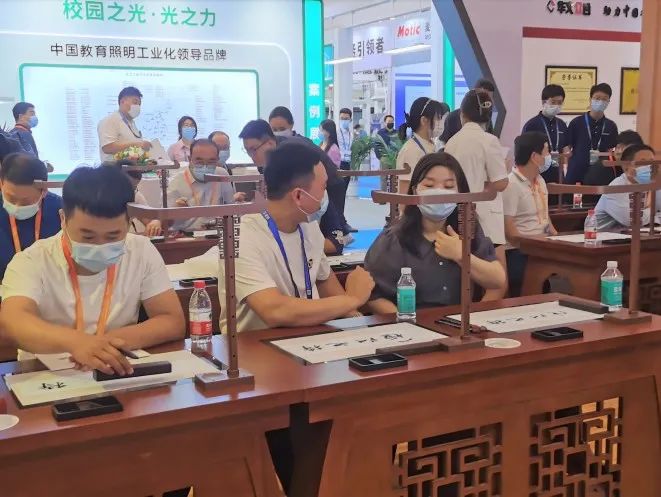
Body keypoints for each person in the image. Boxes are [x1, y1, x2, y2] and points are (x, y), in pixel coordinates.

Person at [0, 165, 184, 373]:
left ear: (128, 222)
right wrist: (76, 342)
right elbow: (12, 322)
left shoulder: (141, 250)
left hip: (114, 370)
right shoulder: (31, 260)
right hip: (47, 375)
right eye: (87, 236)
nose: (100, 245)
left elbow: (171, 320)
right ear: (63, 219)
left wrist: (101, 345)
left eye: (113, 236)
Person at [219, 141, 373, 333]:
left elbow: (329, 289)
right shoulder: (239, 237)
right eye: (323, 187)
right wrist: (353, 299)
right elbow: (274, 311)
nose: (325, 195)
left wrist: (359, 322)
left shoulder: (309, 226)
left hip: (309, 336)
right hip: (255, 344)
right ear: (299, 196)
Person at [364, 152, 505, 313]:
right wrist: (405, 319)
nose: (439, 192)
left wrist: (461, 255)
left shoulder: (467, 229)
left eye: (449, 187)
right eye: (429, 185)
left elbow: (497, 280)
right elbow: (373, 296)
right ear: (415, 190)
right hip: (412, 323)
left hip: (458, 323)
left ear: (461, 192)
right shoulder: (394, 238)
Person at [444, 89, 509, 300]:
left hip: (457, 214)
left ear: (462, 114)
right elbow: (501, 183)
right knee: (498, 282)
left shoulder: (452, 142)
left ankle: (468, 314)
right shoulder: (489, 140)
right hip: (486, 216)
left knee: (468, 276)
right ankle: (481, 316)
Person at [239, 119, 348, 230]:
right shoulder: (266, 161)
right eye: (247, 151)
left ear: (270, 143)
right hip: (311, 193)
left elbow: (310, 184)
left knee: (329, 231)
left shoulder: (289, 152)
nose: (251, 156)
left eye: (253, 149)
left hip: (329, 185)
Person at [503, 132, 558, 297]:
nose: (549, 157)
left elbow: (545, 217)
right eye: (546, 151)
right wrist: (538, 242)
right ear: (534, 156)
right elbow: (510, 233)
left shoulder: (540, 180)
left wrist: (557, 238)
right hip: (519, 252)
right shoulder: (511, 184)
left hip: (540, 248)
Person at [0, 153, 62, 281]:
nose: (16, 206)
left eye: (25, 201)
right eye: (10, 198)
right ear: (1, 183)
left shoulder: (62, 211)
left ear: (44, 191)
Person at [167, 139, 242, 232]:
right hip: (186, 234)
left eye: (211, 162)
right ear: (190, 159)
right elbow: (164, 223)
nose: (205, 166)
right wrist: (175, 211)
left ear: (217, 161)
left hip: (216, 232)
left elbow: (231, 208)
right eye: (199, 162)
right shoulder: (176, 182)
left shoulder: (221, 174)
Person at [594, 144, 661, 230]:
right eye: (642, 163)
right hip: (603, 236)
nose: (649, 167)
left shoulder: (653, 184)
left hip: (636, 234)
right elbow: (633, 220)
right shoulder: (617, 187)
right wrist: (652, 209)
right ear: (626, 166)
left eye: (651, 163)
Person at [566, 83, 619, 185]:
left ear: (608, 102)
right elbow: (567, 148)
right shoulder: (576, 123)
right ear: (590, 99)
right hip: (576, 172)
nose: (601, 101)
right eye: (597, 98)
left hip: (600, 173)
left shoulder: (611, 126)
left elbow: (611, 151)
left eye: (604, 99)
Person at [521, 84, 570, 185]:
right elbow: (524, 153)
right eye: (553, 102)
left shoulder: (561, 125)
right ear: (544, 102)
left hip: (559, 177)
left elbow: (566, 150)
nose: (556, 106)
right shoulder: (532, 125)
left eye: (560, 103)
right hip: (537, 177)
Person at [396, 97, 445, 194]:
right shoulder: (411, 150)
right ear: (424, 120)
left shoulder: (430, 144)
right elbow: (404, 192)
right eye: (438, 118)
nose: (441, 122)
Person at [105, 160, 162, 237]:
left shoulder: (135, 195)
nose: (130, 191)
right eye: (126, 187)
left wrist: (155, 222)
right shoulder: (99, 197)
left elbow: (149, 219)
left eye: (134, 187)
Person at [97, 86, 152, 162]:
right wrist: (137, 144)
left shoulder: (131, 123)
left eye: (139, 104)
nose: (138, 107)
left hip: (132, 167)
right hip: (114, 168)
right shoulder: (110, 120)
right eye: (135, 102)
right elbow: (107, 147)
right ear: (122, 101)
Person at [440, 79, 496, 144]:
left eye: (489, 98)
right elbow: (444, 142)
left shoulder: (486, 118)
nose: (486, 102)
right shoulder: (452, 118)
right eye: (483, 98)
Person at [336, 107, 356, 233]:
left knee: (343, 194)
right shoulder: (336, 133)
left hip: (347, 164)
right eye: (342, 118)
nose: (344, 121)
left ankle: (342, 221)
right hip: (338, 164)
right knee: (338, 194)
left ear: (350, 120)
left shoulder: (351, 134)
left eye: (346, 118)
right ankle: (340, 222)